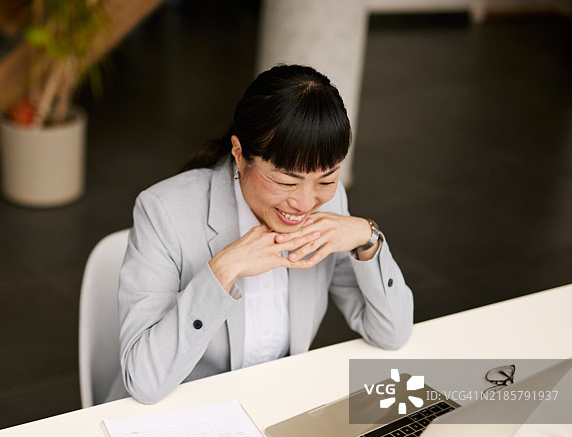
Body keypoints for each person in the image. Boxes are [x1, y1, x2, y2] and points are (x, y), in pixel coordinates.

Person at [108, 64, 413, 404]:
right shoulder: (163, 211)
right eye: (285, 181)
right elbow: (144, 381)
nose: (305, 203)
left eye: (326, 180)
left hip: (274, 405)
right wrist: (222, 270)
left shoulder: (330, 203)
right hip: (179, 414)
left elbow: (392, 333)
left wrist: (367, 237)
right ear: (239, 154)